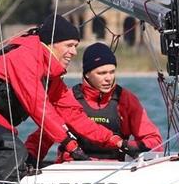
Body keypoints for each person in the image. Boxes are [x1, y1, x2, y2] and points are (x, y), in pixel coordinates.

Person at [0, 14, 126, 184]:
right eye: (69, 45)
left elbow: (75, 115)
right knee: (13, 152)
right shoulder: (24, 56)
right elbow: (37, 104)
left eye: (76, 46)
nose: (74, 52)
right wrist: (69, 143)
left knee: (24, 172)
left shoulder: (52, 79)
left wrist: (115, 141)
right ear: (51, 43)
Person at [27, 42, 163, 161]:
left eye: (112, 72)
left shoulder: (126, 99)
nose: (108, 78)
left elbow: (155, 141)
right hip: (72, 168)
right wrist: (30, 158)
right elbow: (43, 137)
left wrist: (131, 146)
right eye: (101, 73)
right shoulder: (67, 98)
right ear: (87, 74)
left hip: (116, 170)